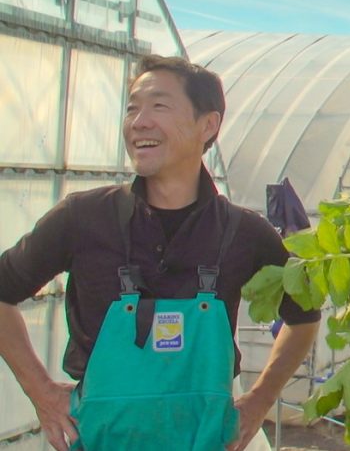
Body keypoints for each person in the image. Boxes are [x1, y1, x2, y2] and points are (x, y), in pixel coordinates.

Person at [0, 56, 321, 451]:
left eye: (158, 106)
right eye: (132, 108)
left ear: (208, 125)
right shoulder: (82, 218)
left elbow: (304, 317)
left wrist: (259, 401)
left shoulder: (244, 233)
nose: (139, 122)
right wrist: (40, 391)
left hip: (206, 441)